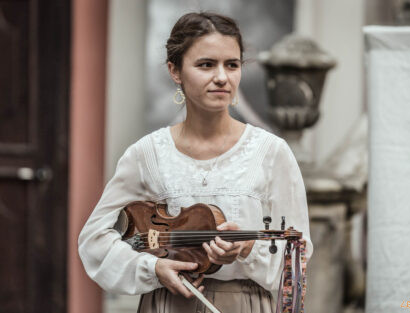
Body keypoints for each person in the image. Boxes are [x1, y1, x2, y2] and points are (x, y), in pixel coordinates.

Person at [78, 12, 313, 313]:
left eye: (232, 64)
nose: (221, 77)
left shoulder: (271, 152)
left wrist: (248, 248)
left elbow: (299, 253)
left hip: (244, 304)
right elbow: (94, 240)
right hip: (167, 303)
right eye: (206, 64)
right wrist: (152, 267)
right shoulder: (147, 153)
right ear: (175, 71)